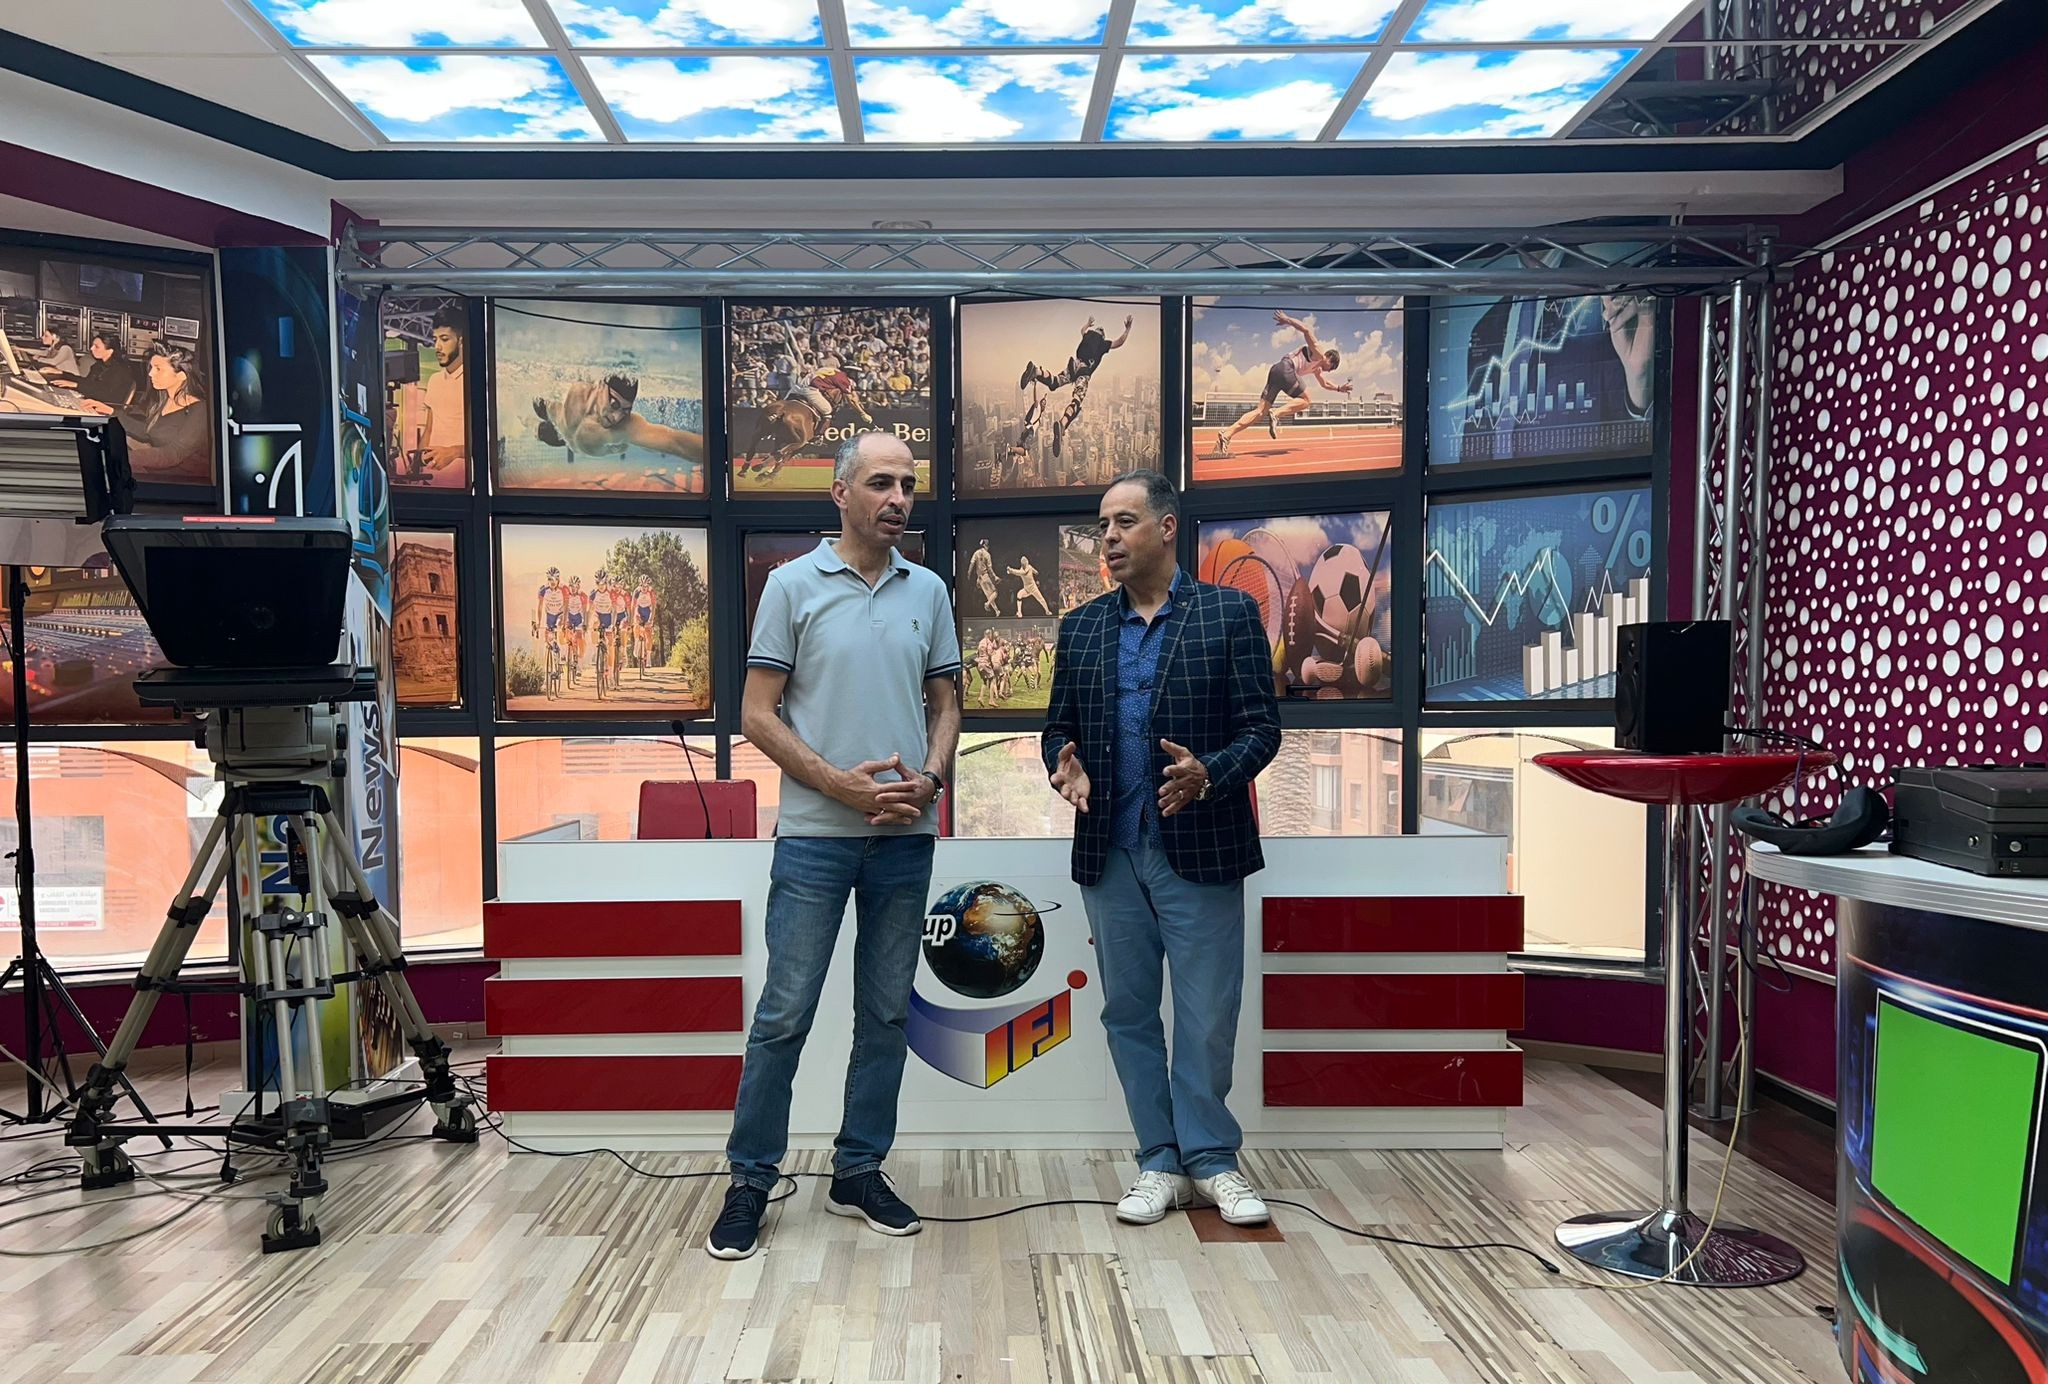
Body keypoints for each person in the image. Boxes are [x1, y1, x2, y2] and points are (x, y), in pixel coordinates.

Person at [708, 431, 962, 1261]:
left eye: (908, 486)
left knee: (885, 1015)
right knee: (784, 1015)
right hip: (815, 841)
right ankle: (751, 1180)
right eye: (882, 483)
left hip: (905, 840)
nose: (899, 499)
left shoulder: (929, 590)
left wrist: (931, 778)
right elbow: (756, 715)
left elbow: (946, 705)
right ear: (840, 493)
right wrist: (838, 786)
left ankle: (858, 1171)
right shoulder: (791, 585)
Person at [1040, 468, 1281, 1228]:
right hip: (1110, 849)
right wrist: (1063, 765)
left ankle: (1211, 1159)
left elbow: (1262, 730)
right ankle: (1159, 1161)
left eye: (1124, 522)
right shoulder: (1081, 628)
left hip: (1202, 844)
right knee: (1129, 1013)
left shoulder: (1229, 614)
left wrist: (1212, 775)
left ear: (1167, 528)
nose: (1108, 538)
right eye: (1102, 526)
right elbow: (1057, 728)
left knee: (1207, 1013)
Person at [1213, 310, 1351, 457]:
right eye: (1331, 367)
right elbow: (1307, 330)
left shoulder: (1317, 368)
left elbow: (1324, 383)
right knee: (1306, 400)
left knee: (1260, 412)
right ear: (1329, 358)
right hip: (1287, 368)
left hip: (1276, 371)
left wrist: (1339, 388)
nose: (1329, 371)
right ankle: (1276, 414)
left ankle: (1226, 435)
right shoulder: (1319, 353)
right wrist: (1287, 320)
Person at [1018, 314, 1133, 459]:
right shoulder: (1103, 344)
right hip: (1084, 371)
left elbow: (1082, 330)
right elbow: (1120, 342)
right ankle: (1062, 423)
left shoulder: (1087, 335)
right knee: (1077, 401)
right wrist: (1127, 329)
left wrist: (1088, 323)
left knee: (1055, 382)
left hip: (1073, 365)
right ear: (1103, 336)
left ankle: (1036, 371)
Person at [532, 372, 704, 469]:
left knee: (649, 445)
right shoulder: (574, 389)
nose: (617, 417)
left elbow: (674, 442)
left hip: (577, 441)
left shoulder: (624, 427)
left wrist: (716, 456)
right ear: (600, 387)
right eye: (614, 404)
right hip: (562, 435)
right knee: (540, 429)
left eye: (626, 410)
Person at [106, 345, 210, 479]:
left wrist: (124, 457)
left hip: (184, 479)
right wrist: (111, 412)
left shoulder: (200, 410)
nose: (150, 373)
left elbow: (174, 454)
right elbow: (148, 431)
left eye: (158, 369)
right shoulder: (163, 400)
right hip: (160, 470)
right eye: (152, 368)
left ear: (181, 376)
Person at [422, 304, 467, 473]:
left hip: (462, 481)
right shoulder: (434, 380)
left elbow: (491, 442)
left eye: (444, 339)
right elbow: (428, 430)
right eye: (435, 340)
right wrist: (416, 467)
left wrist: (454, 452)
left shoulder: (475, 382)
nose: (437, 347)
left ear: (461, 341)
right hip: (431, 479)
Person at [46, 330, 139, 409]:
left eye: (96, 346)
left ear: (110, 351)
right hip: (94, 402)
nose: (91, 348)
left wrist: (76, 385)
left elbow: (105, 394)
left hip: (104, 409)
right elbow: (87, 383)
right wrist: (62, 373)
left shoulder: (121, 370)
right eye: (92, 345)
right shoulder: (99, 365)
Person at [632, 575, 658, 678]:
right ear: (640, 585)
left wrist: (651, 620)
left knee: (648, 634)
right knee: (636, 625)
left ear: (649, 586)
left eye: (646, 586)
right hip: (639, 610)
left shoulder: (652, 592)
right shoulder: (636, 592)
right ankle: (637, 642)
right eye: (642, 586)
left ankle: (649, 658)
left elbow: (654, 607)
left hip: (648, 611)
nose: (644, 588)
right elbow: (633, 606)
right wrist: (633, 619)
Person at [563, 576, 587, 684]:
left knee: (580, 638)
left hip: (579, 618)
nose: (573, 589)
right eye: (571, 586)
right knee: (567, 634)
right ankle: (566, 653)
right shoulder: (566, 595)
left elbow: (585, 611)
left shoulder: (582, 596)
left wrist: (585, 623)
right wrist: (564, 622)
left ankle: (579, 666)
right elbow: (564, 609)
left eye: (575, 586)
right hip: (569, 617)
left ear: (578, 587)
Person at [968, 538, 999, 614]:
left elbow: (972, 563)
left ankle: (996, 611)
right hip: (985, 576)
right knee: (995, 592)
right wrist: (995, 577)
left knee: (989, 595)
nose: (988, 547)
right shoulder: (987, 555)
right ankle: (987, 604)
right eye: (987, 546)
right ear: (985, 545)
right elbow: (990, 568)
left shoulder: (976, 553)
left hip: (979, 578)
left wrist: (969, 573)